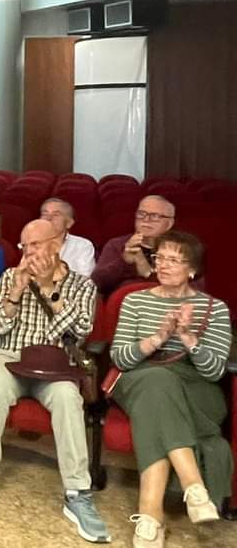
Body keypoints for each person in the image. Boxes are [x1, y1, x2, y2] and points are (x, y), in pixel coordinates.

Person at [0, 219, 110, 543]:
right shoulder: (11, 277)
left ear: (56, 245)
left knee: (68, 399)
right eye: (24, 246)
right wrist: (15, 293)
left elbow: (80, 331)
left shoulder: (82, 285)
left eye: (36, 245)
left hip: (55, 364)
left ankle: (77, 492)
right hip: (10, 355)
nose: (28, 252)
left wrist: (46, 290)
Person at [108, 231, 231, 547]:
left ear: (193, 269)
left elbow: (214, 370)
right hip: (139, 377)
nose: (163, 265)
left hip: (195, 388)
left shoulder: (214, 308)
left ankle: (150, 517)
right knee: (156, 382)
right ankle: (194, 487)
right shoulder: (135, 300)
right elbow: (120, 358)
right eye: (159, 257)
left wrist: (189, 339)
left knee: (157, 401)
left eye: (174, 260)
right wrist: (158, 338)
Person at [92, 196, 182, 296]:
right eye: (141, 213)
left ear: (169, 224)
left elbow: (190, 288)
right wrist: (124, 261)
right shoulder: (116, 245)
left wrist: (148, 273)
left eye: (155, 216)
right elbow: (96, 284)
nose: (146, 219)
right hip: (124, 302)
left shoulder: (181, 249)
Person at [40, 198, 96, 277]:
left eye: (56, 215)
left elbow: (85, 279)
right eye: (45, 214)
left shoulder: (83, 246)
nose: (48, 218)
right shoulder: (29, 243)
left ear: (69, 223)